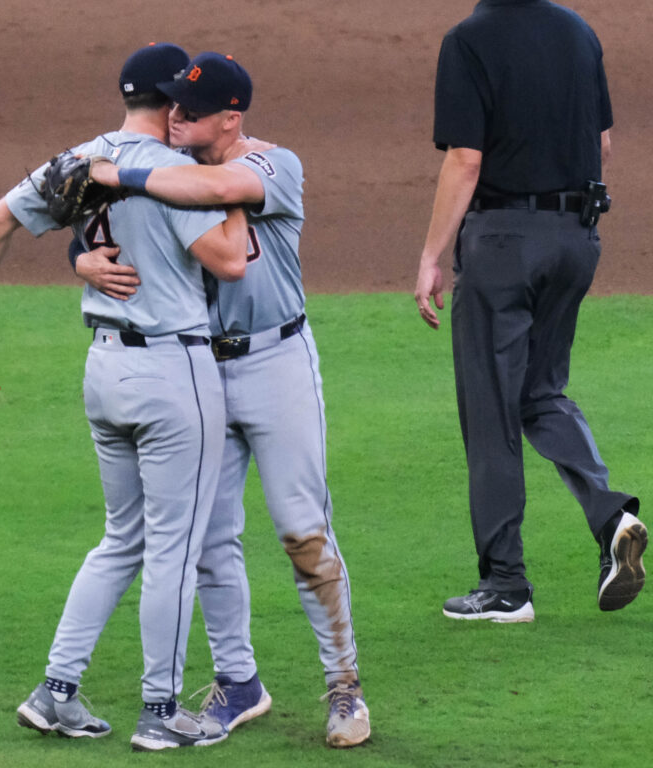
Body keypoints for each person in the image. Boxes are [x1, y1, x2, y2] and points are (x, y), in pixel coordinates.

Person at [0, 42, 250, 751]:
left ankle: (56, 691)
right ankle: (161, 710)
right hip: (174, 375)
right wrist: (226, 181)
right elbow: (231, 261)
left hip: (105, 373)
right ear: (174, 105)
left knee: (124, 539)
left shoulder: (78, 160)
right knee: (173, 548)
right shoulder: (175, 170)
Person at [80, 51, 370, 748]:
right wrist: (80, 260)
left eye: (190, 110)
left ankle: (344, 686)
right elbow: (109, 228)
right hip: (195, 370)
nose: (173, 116)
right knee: (208, 539)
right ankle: (238, 680)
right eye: (172, 105)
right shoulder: (171, 169)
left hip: (275, 361)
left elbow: (223, 190)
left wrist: (120, 173)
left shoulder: (275, 166)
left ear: (231, 118)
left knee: (303, 530)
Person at [414, 0, 646, 623]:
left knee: (490, 408)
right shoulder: (578, 31)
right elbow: (601, 141)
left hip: (503, 244)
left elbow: (465, 160)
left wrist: (433, 253)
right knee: (541, 391)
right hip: (577, 237)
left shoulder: (469, 39)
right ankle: (613, 515)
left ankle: (504, 584)